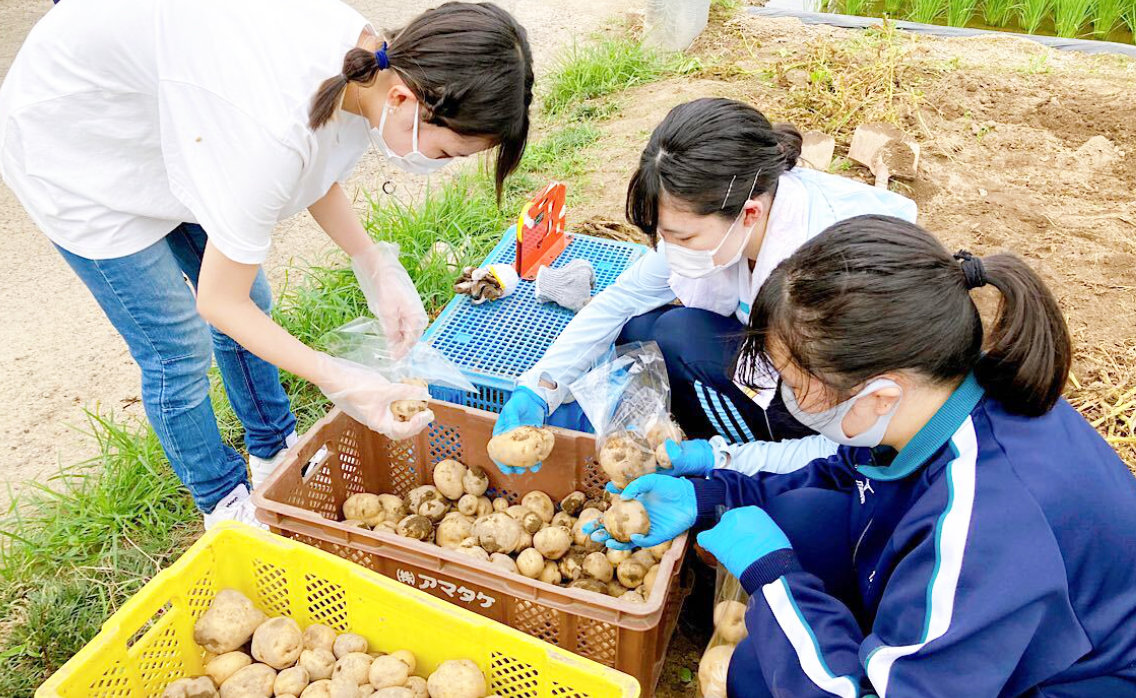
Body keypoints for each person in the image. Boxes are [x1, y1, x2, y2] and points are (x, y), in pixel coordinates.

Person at [0, 0, 533, 526]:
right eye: (444, 154)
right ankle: (222, 499)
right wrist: (338, 378)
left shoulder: (367, 66)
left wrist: (373, 261)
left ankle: (273, 445)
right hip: (78, 148)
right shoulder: (267, 132)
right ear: (403, 98)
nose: (436, 167)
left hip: (176, 127)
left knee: (252, 301)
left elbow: (313, 164)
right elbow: (219, 299)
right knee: (177, 350)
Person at [587, 214, 1136, 697]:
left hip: (1055, 682)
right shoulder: (933, 393)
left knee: (756, 674)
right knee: (797, 547)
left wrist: (774, 576)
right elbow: (842, 476)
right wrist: (712, 495)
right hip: (987, 627)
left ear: (878, 394)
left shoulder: (986, 524)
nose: (787, 397)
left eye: (797, 384)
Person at [491, 98, 915, 474]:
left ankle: (758, 456)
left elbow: (851, 438)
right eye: (664, 234)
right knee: (641, 330)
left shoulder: (828, 281)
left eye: (684, 238)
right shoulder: (719, 212)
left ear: (749, 214)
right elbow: (622, 299)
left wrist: (724, 460)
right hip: (794, 364)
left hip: (842, 418)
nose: (670, 249)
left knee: (674, 336)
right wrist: (542, 386)